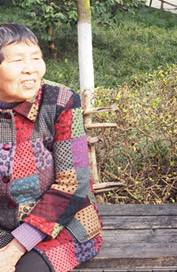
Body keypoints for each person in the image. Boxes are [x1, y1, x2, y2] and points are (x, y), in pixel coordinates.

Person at [0, 23, 102, 272]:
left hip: (62, 223)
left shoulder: (59, 101)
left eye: (36, 58)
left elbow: (73, 183)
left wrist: (15, 249)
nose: (30, 68)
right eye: (17, 60)